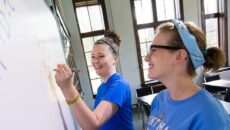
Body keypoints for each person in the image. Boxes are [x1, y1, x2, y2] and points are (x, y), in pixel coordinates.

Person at [145, 19, 230, 130]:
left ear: (179, 56)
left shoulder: (209, 115)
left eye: (154, 50)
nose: (147, 58)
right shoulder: (159, 100)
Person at [54, 30, 135, 130]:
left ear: (115, 58)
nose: (95, 61)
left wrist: (68, 88)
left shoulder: (119, 85)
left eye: (101, 56)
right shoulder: (102, 87)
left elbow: (93, 123)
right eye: (93, 56)